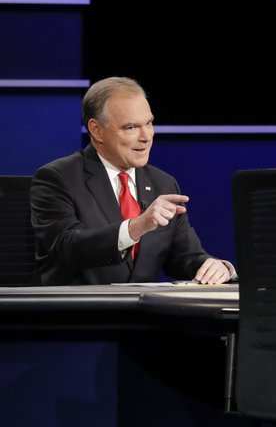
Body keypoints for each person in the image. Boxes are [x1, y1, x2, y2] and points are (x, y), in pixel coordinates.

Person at [31, 76, 236, 285]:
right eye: (131, 127)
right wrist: (136, 227)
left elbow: (184, 257)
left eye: (149, 123)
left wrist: (215, 267)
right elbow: (67, 248)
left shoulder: (163, 183)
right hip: (82, 313)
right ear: (96, 130)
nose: (146, 136)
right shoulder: (58, 178)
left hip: (144, 314)